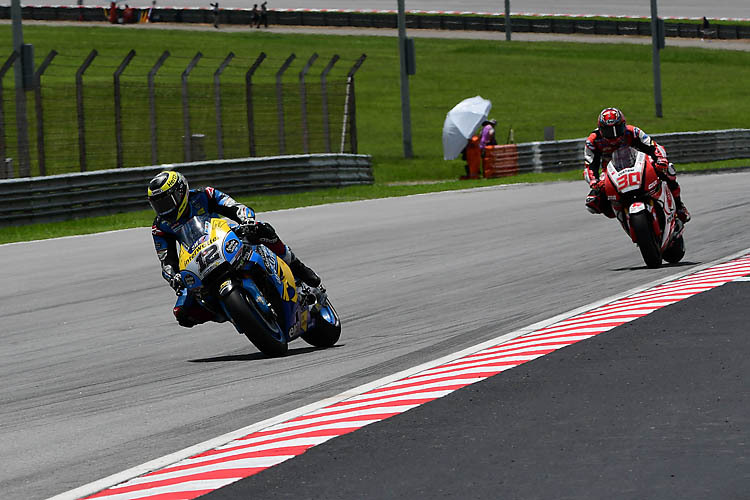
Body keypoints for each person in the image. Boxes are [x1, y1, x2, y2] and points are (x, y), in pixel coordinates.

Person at [148, 170, 321, 328]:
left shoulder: (205, 195)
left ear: (180, 192)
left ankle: (297, 266)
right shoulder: (160, 226)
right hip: (198, 260)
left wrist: (247, 220)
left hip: (226, 239)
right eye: (158, 205)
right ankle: (234, 313)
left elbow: (234, 207)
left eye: (166, 202)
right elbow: (166, 260)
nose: (164, 209)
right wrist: (174, 277)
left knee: (263, 229)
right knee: (183, 313)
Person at [583, 107, 690, 223]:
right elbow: (590, 165)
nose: (614, 136)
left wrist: (661, 160)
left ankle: (679, 207)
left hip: (639, 163)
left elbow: (653, 146)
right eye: (609, 131)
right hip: (610, 171)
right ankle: (621, 212)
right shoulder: (593, 141)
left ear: (623, 125)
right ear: (601, 129)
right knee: (593, 201)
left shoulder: (633, 132)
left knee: (668, 171)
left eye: (617, 129)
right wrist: (594, 182)